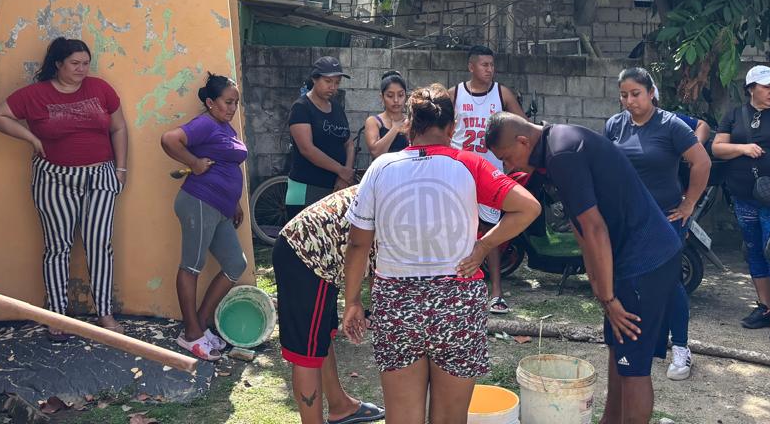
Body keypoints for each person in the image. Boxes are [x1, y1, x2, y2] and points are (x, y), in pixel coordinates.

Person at [342, 85, 540, 424]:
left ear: (408, 125)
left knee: (403, 417)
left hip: (397, 303)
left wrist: (352, 302)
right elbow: (528, 207)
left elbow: (358, 244)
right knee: (450, 417)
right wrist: (483, 246)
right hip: (457, 302)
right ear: (452, 128)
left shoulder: (381, 168)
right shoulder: (470, 164)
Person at [488, 113, 683, 424]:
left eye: (507, 158)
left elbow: (594, 228)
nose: (509, 167)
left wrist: (608, 297)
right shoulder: (554, 149)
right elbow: (581, 228)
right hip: (631, 257)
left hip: (645, 259)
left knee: (633, 365)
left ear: (523, 141)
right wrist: (598, 285)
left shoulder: (563, 153)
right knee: (618, 349)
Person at [0, 37, 128, 332]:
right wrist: (30, 137)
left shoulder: (100, 89)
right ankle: (57, 316)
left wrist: (121, 168)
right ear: (58, 64)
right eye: (75, 63)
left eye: (86, 63)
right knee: (57, 247)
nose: (81, 69)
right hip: (54, 178)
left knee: (100, 244)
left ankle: (104, 313)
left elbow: (118, 127)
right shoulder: (35, 95)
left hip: (100, 176)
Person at [604, 67, 711, 382]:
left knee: (668, 283)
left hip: (664, 219)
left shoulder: (670, 125)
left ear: (651, 93)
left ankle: (681, 346)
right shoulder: (614, 125)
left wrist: (689, 204)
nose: (629, 101)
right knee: (628, 281)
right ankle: (639, 341)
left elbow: (701, 162)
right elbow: (607, 166)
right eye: (624, 95)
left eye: (636, 94)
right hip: (626, 220)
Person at [273, 186, 385, 424]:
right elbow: (370, 257)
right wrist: (358, 303)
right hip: (308, 255)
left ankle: (340, 406)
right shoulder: (401, 197)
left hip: (319, 254)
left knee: (320, 336)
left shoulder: (393, 182)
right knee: (306, 352)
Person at [160, 74, 249, 360]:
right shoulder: (205, 123)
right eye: (227, 102)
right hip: (200, 201)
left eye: (235, 103)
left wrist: (235, 202)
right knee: (192, 266)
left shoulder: (224, 127)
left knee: (235, 264)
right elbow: (169, 139)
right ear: (211, 102)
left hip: (221, 206)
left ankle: (200, 324)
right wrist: (194, 163)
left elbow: (226, 164)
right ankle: (191, 334)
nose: (232, 108)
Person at [713, 64, 770, 332]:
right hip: (743, 196)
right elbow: (717, 148)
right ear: (751, 89)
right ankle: (765, 307)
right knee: (754, 251)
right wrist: (743, 148)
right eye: (766, 87)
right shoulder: (735, 115)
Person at [447, 45, 526, 313]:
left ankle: (496, 292)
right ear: (471, 67)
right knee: (457, 227)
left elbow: (523, 125)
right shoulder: (455, 94)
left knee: (491, 231)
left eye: (492, 65)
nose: (490, 69)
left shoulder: (502, 94)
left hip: (490, 173)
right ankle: (455, 286)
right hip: (459, 171)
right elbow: (441, 128)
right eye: (484, 65)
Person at [286, 57, 355, 219]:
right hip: (306, 188)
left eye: (337, 82)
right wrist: (341, 170)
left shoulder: (336, 107)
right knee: (304, 234)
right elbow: (307, 149)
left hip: (335, 188)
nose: (333, 87)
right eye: (328, 81)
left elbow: (349, 143)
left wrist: (345, 175)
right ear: (314, 79)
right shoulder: (301, 108)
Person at [363, 70, 409, 158]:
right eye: (390, 96)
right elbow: (375, 152)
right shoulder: (373, 121)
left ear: (405, 96)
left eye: (400, 95)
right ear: (382, 97)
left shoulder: (411, 121)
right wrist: (395, 129)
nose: (396, 100)